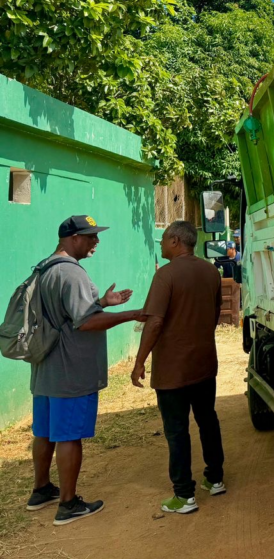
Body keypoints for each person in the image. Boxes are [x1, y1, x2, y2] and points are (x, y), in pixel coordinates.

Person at [28, 215, 145, 525]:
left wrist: (101, 303)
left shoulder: (44, 268)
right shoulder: (72, 274)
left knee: (44, 431)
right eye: (90, 236)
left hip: (45, 369)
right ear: (72, 238)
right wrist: (130, 314)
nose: (96, 241)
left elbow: (68, 314)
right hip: (71, 370)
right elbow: (85, 322)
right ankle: (67, 504)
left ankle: (41, 489)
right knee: (68, 437)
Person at [131, 220, 225, 515]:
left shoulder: (166, 276)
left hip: (173, 370)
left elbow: (155, 321)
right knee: (207, 419)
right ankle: (215, 479)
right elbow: (214, 312)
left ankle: (184, 495)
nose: (160, 244)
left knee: (177, 431)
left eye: (162, 240)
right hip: (204, 363)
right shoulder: (211, 271)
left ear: (174, 241)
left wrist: (139, 361)